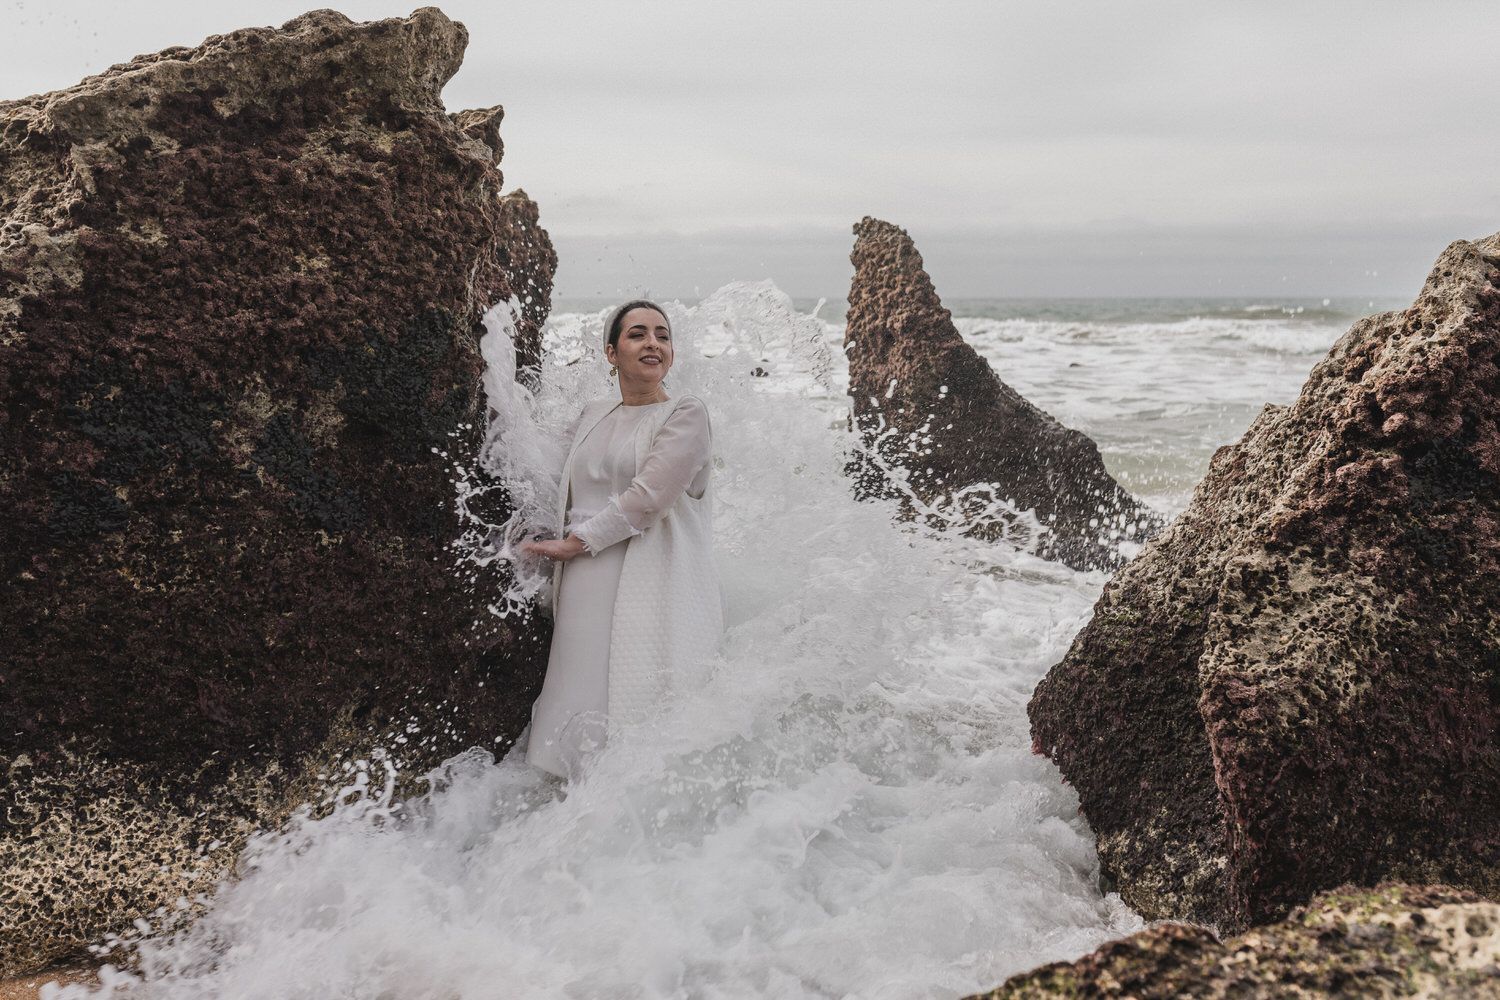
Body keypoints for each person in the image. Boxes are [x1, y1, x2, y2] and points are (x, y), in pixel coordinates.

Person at [520, 300, 723, 781]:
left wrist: (574, 544)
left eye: (662, 335)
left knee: (634, 694)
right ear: (611, 353)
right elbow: (548, 475)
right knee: (575, 688)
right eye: (638, 334)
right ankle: (555, 801)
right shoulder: (593, 413)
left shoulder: (686, 413)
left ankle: (627, 800)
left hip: (646, 579)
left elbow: (649, 498)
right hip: (581, 579)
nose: (653, 343)